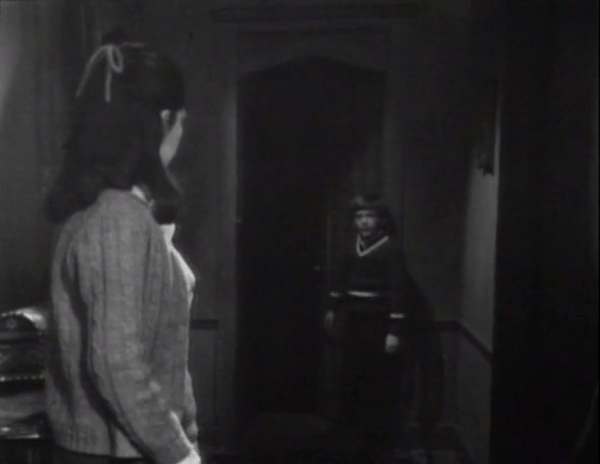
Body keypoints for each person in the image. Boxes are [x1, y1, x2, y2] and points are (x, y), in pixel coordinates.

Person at [44, 39, 201, 464]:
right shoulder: (117, 217)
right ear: (164, 120)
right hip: (119, 454)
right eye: (181, 122)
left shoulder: (108, 210)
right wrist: (180, 454)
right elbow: (118, 366)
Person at [324, 194, 411, 462]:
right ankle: (349, 436)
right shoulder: (351, 247)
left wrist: (394, 330)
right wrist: (332, 307)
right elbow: (340, 279)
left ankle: (376, 442)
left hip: (378, 323)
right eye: (359, 217)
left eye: (369, 216)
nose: (364, 222)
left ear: (380, 220)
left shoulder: (390, 249)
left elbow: (399, 291)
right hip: (353, 321)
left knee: (377, 381)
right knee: (351, 375)